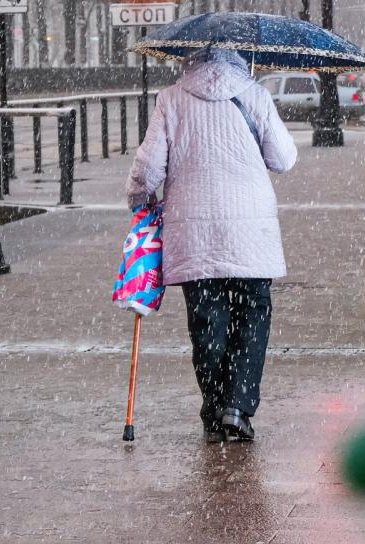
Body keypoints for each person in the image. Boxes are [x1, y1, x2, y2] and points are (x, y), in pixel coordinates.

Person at [125, 48, 297, 443]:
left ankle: (214, 407)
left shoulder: (170, 99)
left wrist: (138, 199)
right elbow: (284, 159)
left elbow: (149, 168)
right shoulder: (255, 95)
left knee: (207, 322)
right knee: (252, 319)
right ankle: (238, 407)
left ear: (190, 59)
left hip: (193, 230)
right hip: (250, 232)